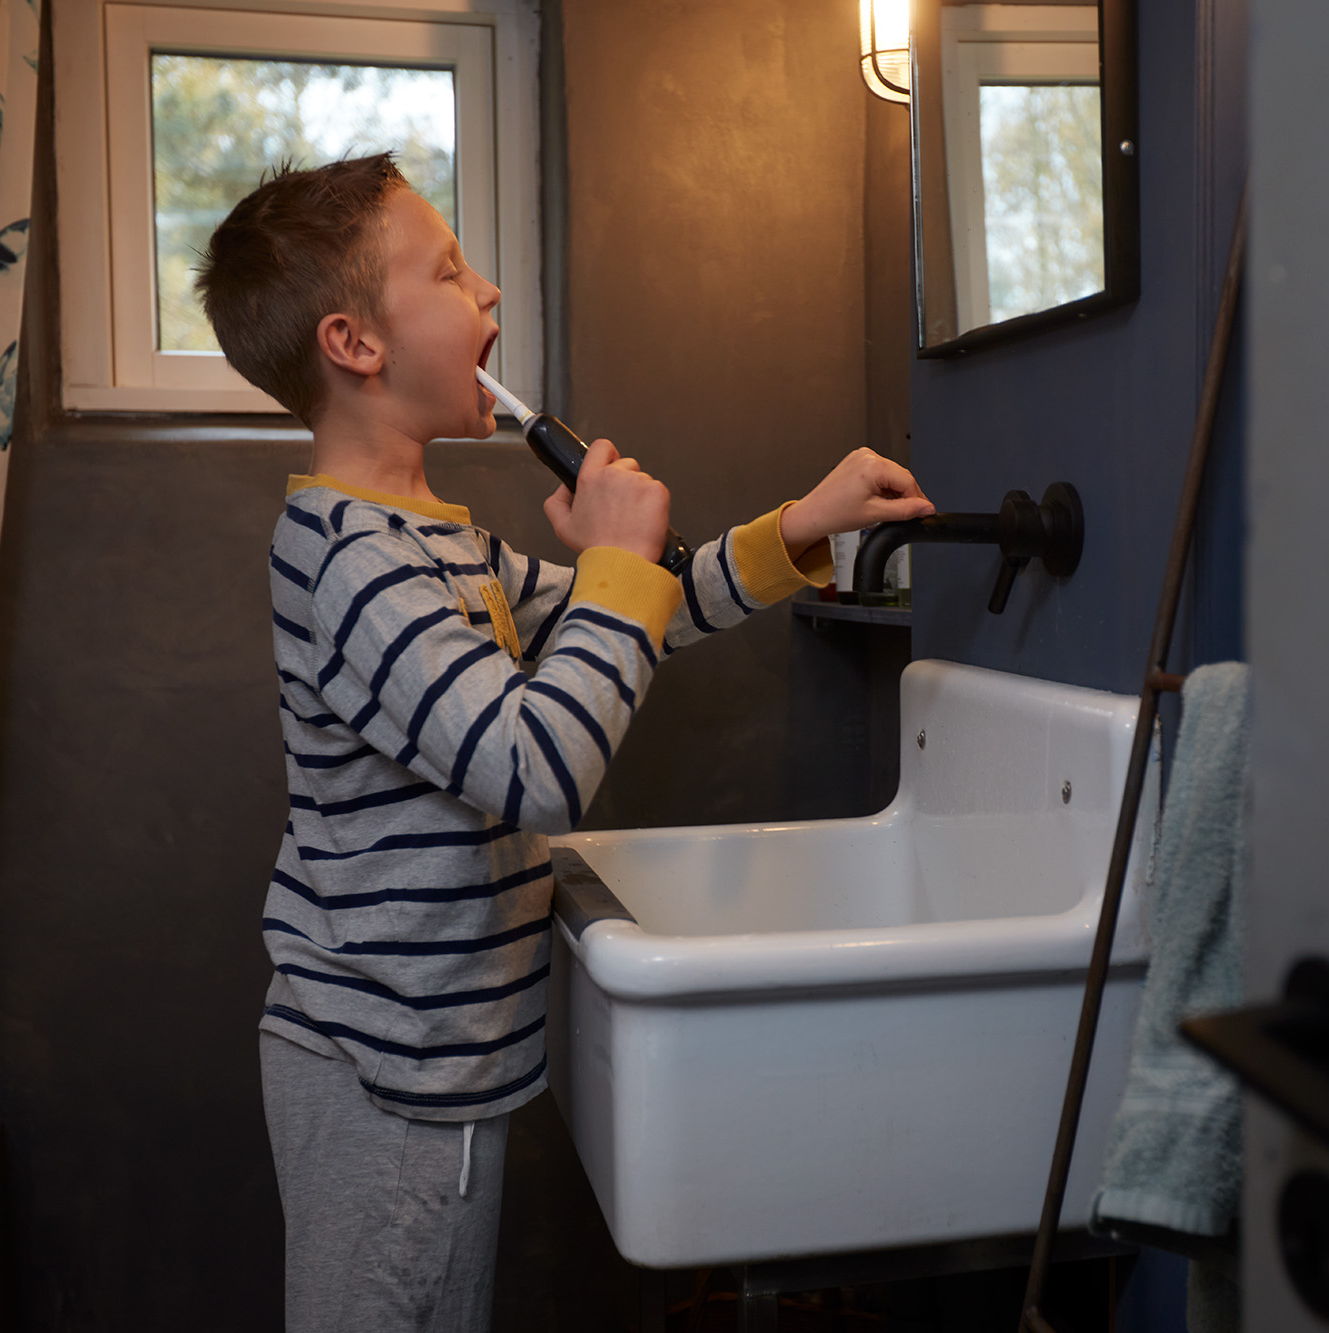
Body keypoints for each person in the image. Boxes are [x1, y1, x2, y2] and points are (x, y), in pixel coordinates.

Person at [194, 153, 934, 1330]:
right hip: (381, 1067)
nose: (486, 290)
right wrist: (613, 570)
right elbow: (534, 767)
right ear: (355, 343)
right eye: (448, 271)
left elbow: (642, 616)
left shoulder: (434, 542)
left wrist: (800, 524)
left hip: (439, 1058)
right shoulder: (349, 560)